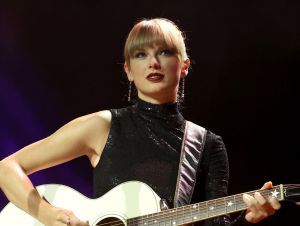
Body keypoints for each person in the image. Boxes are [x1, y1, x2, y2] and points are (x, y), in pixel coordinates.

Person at [0, 18, 282, 226]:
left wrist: (250, 219)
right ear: (128, 70)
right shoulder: (102, 126)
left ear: (184, 66)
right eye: (141, 54)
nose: (153, 63)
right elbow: (6, 168)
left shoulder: (207, 145)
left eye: (164, 52)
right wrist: (50, 216)